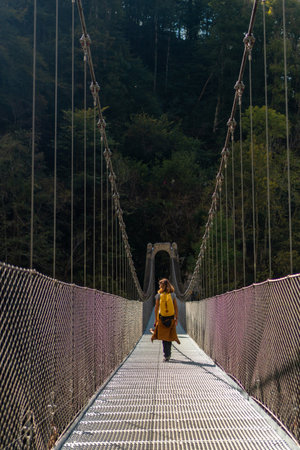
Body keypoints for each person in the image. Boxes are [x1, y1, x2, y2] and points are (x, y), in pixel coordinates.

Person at [151, 278, 180, 361]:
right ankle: (168, 354)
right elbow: (176, 307)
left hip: (162, 318)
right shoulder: (173, 294)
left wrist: (156, 319)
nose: (159, 286)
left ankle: (166, 355)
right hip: (171, 319)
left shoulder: (158, 295)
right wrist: (176, 318)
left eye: (160, 285)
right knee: (169, 337)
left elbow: (156, 308)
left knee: (164, 337)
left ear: (161, 286)